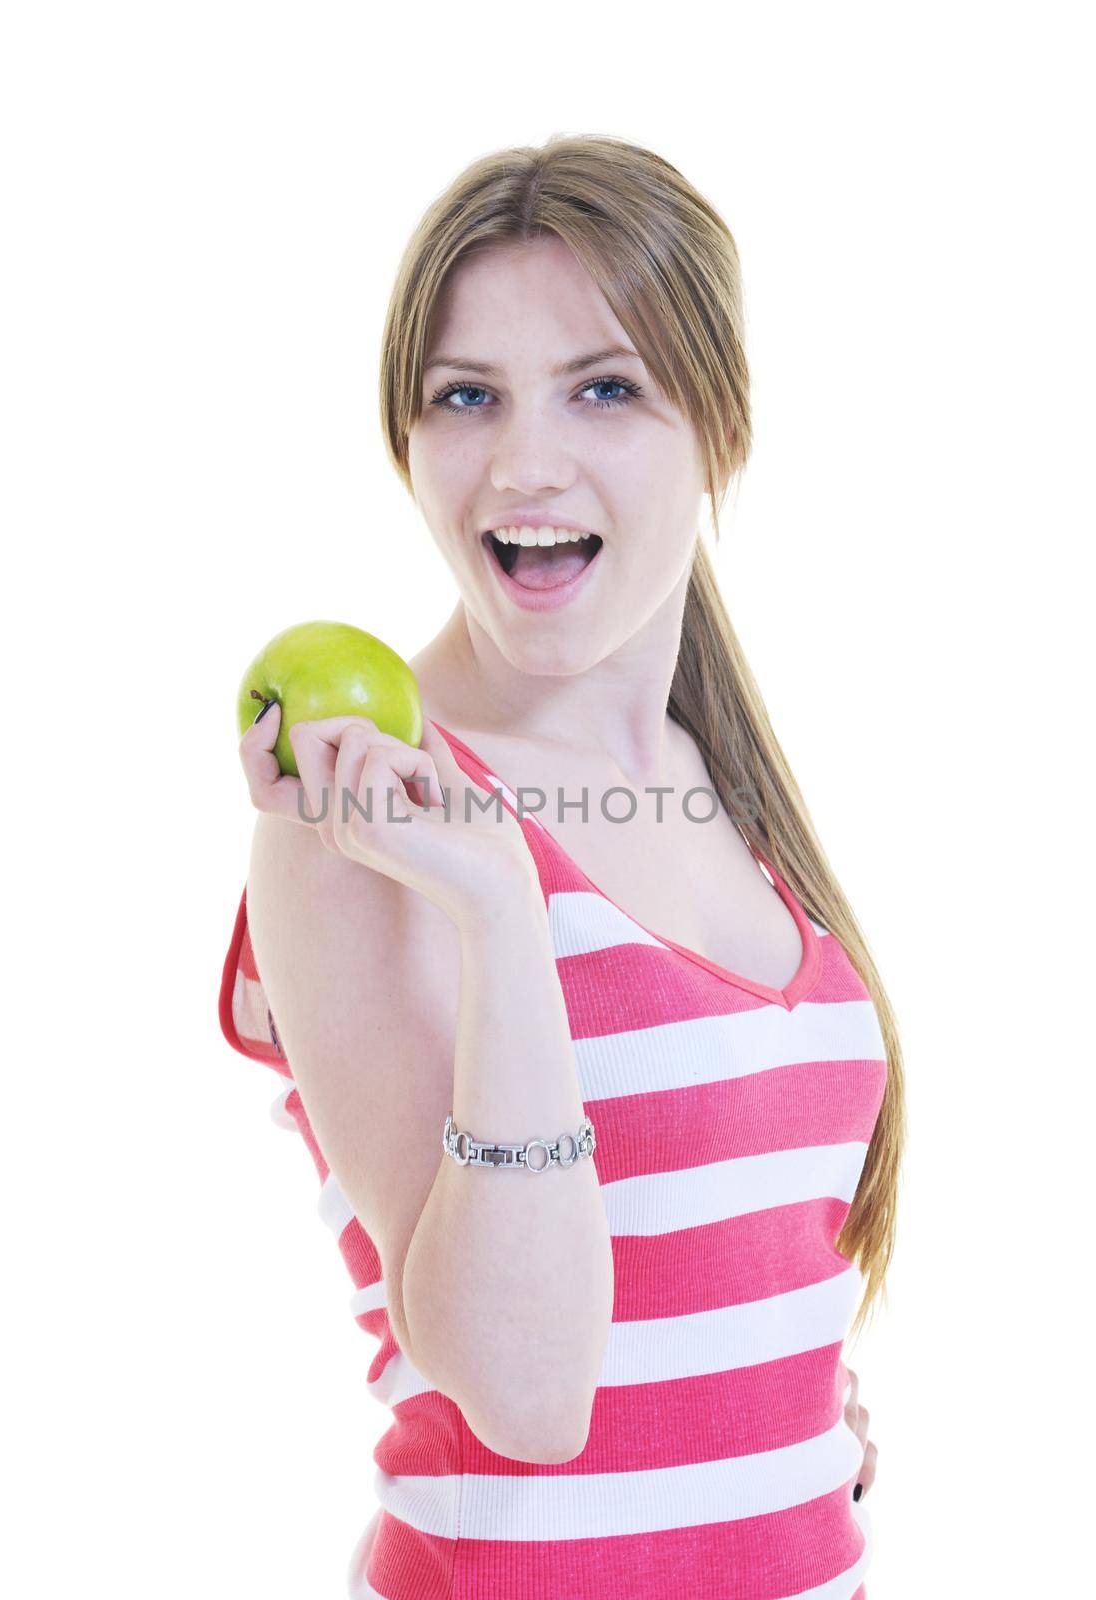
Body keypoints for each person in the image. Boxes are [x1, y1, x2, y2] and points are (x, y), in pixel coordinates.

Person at [219, 133, 901, 1599]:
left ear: (719, 427)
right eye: (466, 396)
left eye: (604, 386)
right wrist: (496, 900)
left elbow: (730, 1270)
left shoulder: (725, 781)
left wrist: (778, 1429)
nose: (524, 463)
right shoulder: (365, 814)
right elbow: (522, 1400)